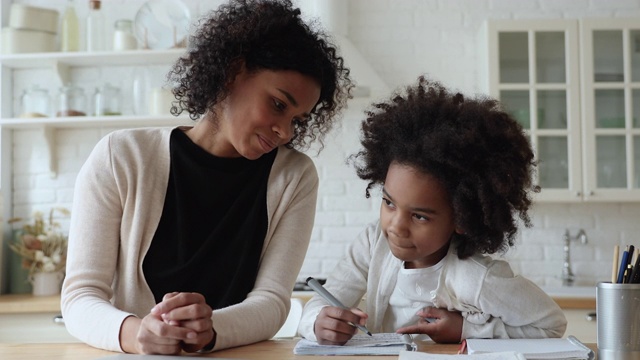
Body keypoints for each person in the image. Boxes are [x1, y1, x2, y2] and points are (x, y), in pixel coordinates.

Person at [61, 0, 352, 355]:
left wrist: (211, 330)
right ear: (232, 72)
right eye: (278, 104)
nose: (286, 132)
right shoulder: (121, 157)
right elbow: (80, 296)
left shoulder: (294, 177)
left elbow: (273, 301)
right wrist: (138, 334)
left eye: (298, 120)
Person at [298, 77, 567, 345]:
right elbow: (319, 302)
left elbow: (551, 325)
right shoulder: (372, 243)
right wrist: (320, 321)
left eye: (420, 216)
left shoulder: (477, 279)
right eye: (389, 202)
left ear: (461, 218)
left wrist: (467, 330)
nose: (396, 226)